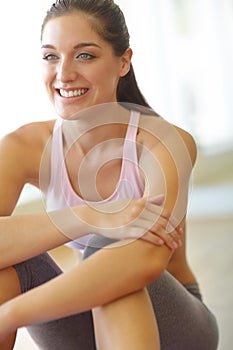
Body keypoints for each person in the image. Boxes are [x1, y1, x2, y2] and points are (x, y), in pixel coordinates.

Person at [0, 0, 218, 349]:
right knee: (10, 265)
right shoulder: (22, 145)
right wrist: (92, 214)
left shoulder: (165, 142)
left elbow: (145, 261)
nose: (64, 73)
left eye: (84, 55)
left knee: (112, 255)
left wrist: (11, 315)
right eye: (51, 56)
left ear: (123, 62)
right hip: (87, 315)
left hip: (174, 325)